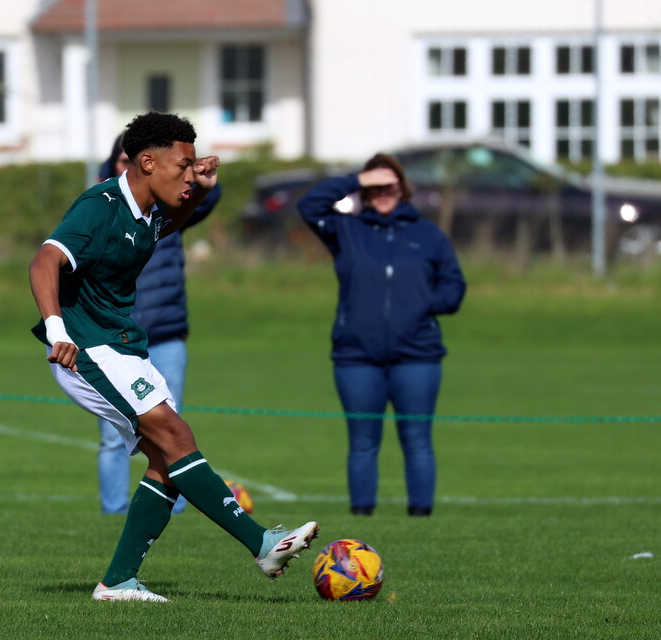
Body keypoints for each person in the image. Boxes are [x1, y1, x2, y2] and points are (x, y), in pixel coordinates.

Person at [29, 111, 318, 602]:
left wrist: (201, 189)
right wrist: (57, 329)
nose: (191, 174)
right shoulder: (100, 205)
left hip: (121, 345)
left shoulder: (148, 212)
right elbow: (44, 260)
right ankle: (262, 543)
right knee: (175, 436)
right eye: (182, 166)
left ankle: (118, 581)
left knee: (167, 461)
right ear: (146, 161)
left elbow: (171, 224)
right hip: (86, 348)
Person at [297, 153, 466, 517]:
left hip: (418, 355)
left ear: (403, 189)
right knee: (362, 443)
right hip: (356, 357)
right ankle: (363, 517)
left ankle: (421, 518)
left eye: (390, 184)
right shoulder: (346, 230)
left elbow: (454, 286)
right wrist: (356, 179)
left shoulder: (429, 235)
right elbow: (309, 205)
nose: (384, 192)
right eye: (375, 186)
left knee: (418, 441)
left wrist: (424, 303)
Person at [94, 134, 221, 516]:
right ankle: (114, 510)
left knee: (172, 427)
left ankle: (172, 507)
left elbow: (207, 198)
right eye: (120, 160)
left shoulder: (167, 210)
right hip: (114, 337)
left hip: (166, 335)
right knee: (115, 435)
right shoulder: (101, 210)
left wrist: (193, 172)